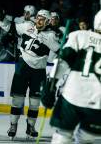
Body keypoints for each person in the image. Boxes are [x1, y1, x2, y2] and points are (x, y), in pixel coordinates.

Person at [45, 10, 101, 144]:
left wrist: (50, 86)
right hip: (98, 102)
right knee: (86, 138)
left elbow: (62, 62)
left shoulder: (79, 35)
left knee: (62, 136)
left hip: (72, 96)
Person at [7, 9, 60, 140]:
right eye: (38, 17)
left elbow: (59, 49)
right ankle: (13, 125)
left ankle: (31, 126)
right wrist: (3, 19)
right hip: (22, 66)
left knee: (35, 103)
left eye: (42, 19)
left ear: (47, 21)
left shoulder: (51, 34)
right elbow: (10, 27)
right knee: (17, 100)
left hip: (39, 70)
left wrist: (47, 40)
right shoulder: (27, 26)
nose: (39, 20)